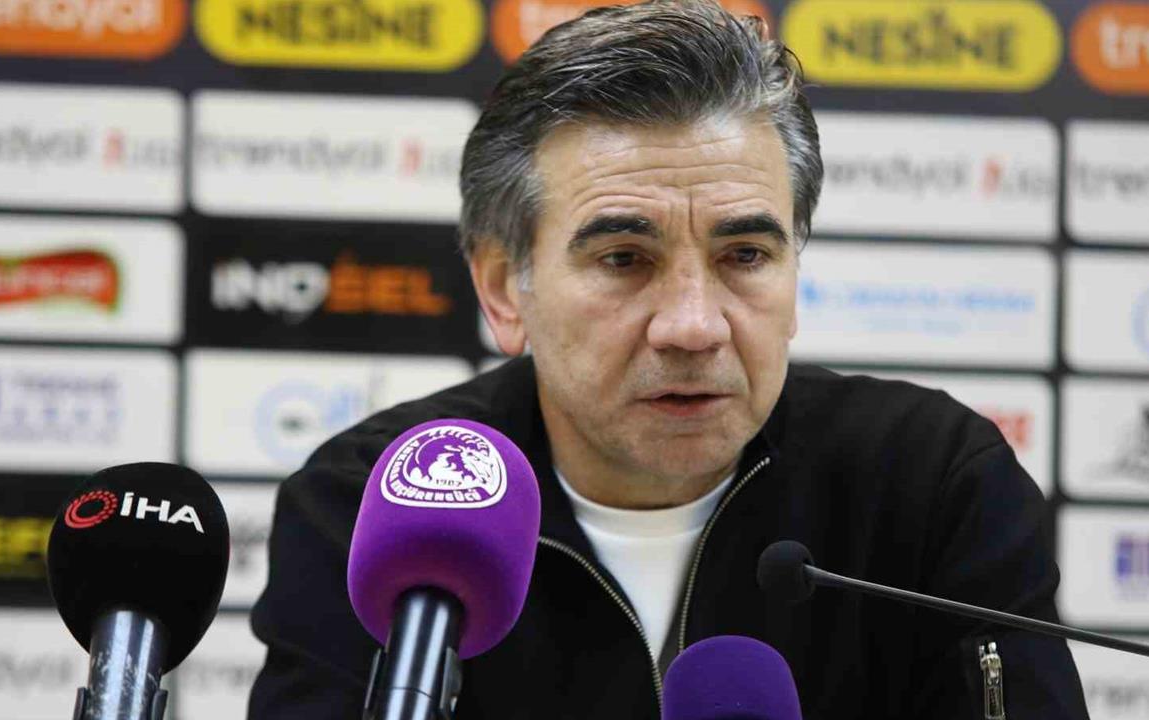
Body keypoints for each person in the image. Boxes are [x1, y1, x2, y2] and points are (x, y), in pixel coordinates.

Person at [247, 1, 1090, 717]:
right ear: (505, 289)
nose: (693, 326)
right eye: (624, 259)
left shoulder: (932, 483)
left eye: (745, 256)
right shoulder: (367, 502)